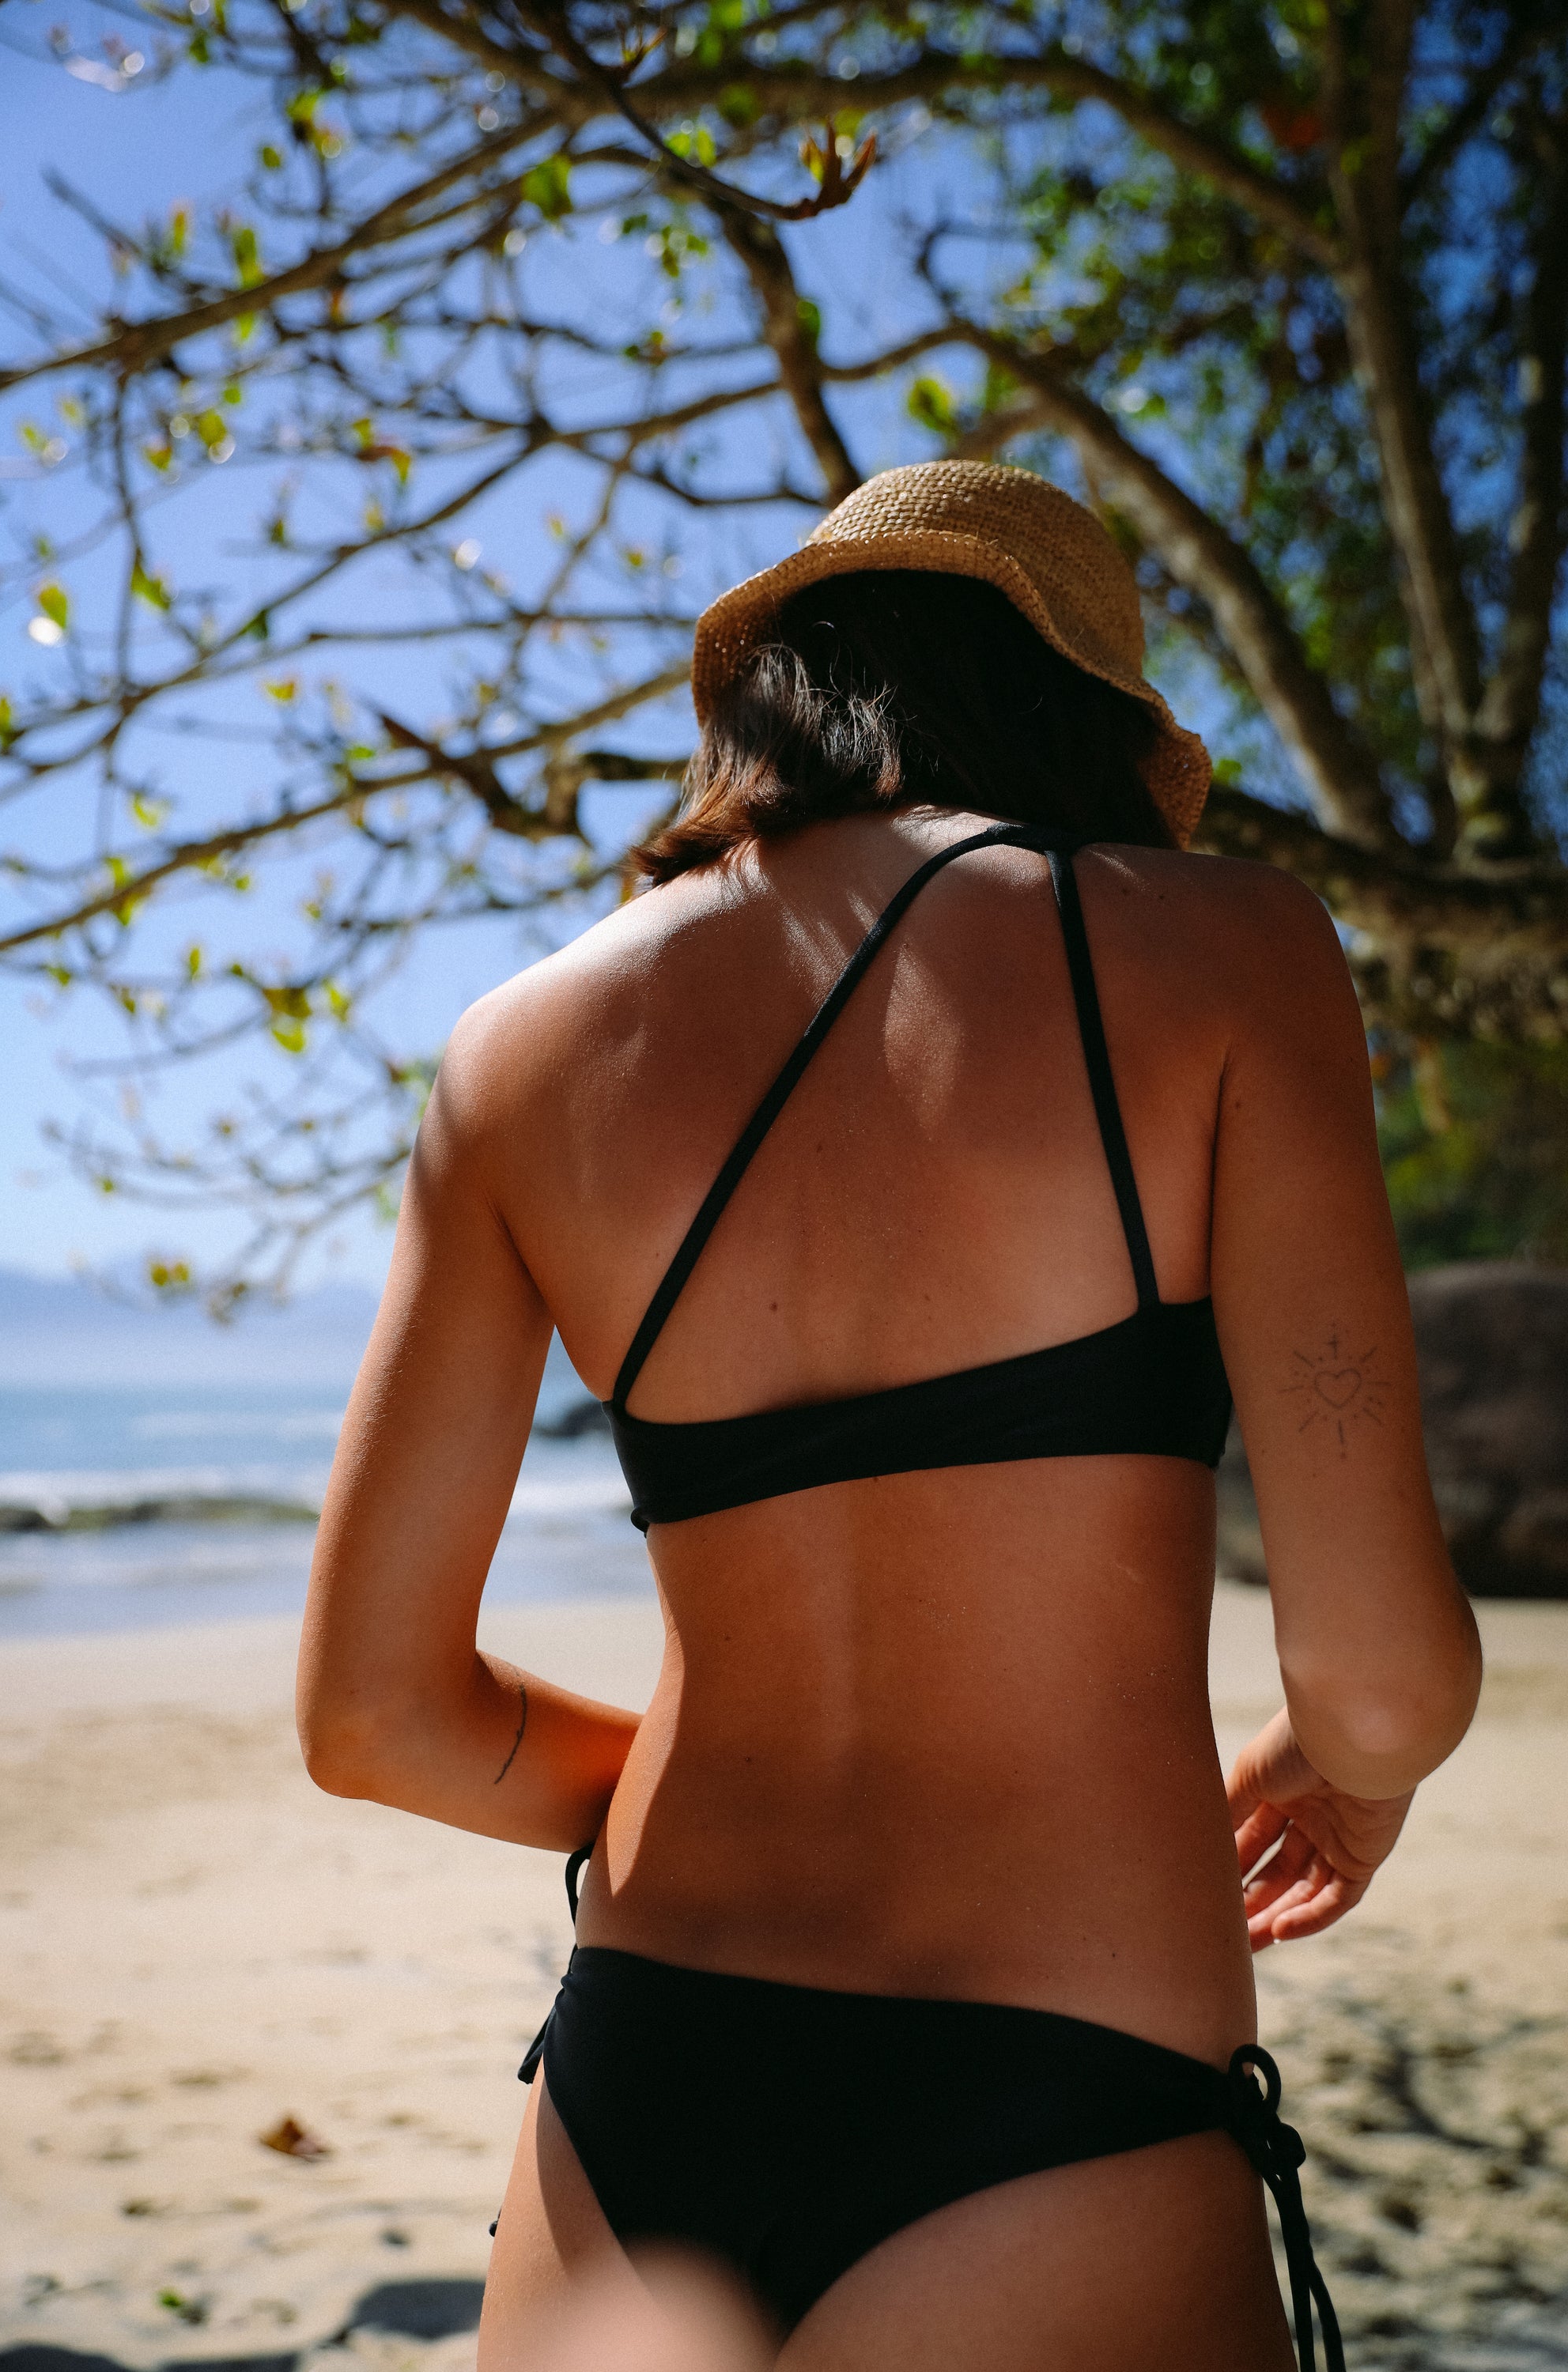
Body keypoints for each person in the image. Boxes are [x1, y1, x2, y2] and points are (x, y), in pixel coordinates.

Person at [297, 461, 1482, 2371]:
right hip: (1058, 2085)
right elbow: (1378, 1680)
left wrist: (716, 1768)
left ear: (768, 695)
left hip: (633, 2085)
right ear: (1084, 716)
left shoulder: (514, 1051)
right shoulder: (1221, 949)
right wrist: (1350, 1766)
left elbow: (369, 1717)